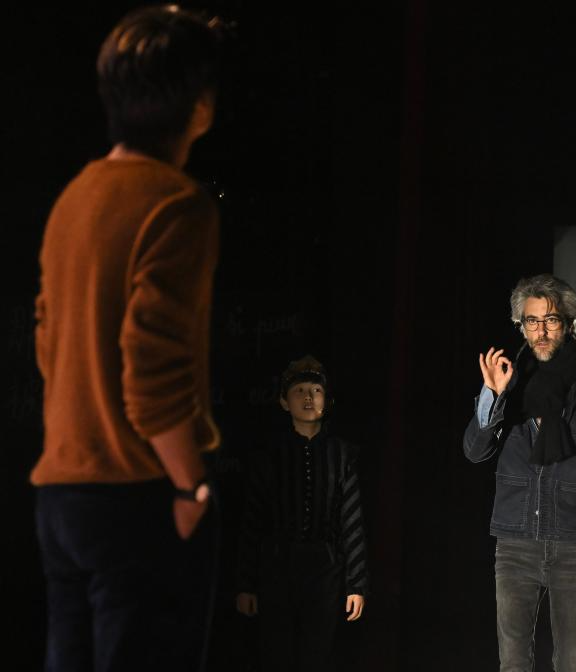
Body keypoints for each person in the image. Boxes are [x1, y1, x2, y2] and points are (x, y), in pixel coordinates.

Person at [31, 6, 225, 671]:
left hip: (61, 495)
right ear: (199, 106)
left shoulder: (72, 200)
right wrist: (190, 488)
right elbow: (152, 366)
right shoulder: (177, 204)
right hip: (141, 493)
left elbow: (47, 344)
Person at [463, 274, 576, 672]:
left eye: (551, 320)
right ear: (520, 326)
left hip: (575, 542)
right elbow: (475, 452)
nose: (541, 331)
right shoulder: (509, 383)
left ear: (568, 324)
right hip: (516, 542)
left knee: (571, 661)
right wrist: (493, 396)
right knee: (513, 662)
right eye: (532, 321)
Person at [235, 356, 368, 672]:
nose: (308, 397)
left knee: (317, 654)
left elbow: (352, 521)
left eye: (316, 391)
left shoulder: (341, 455)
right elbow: (252, 521)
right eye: (299, 391)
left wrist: (356, 585)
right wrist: (245, 584)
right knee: (276, 652)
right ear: (284, 401)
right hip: (277, 567)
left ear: (327, 400)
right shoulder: (270, 456)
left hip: (324, 569)